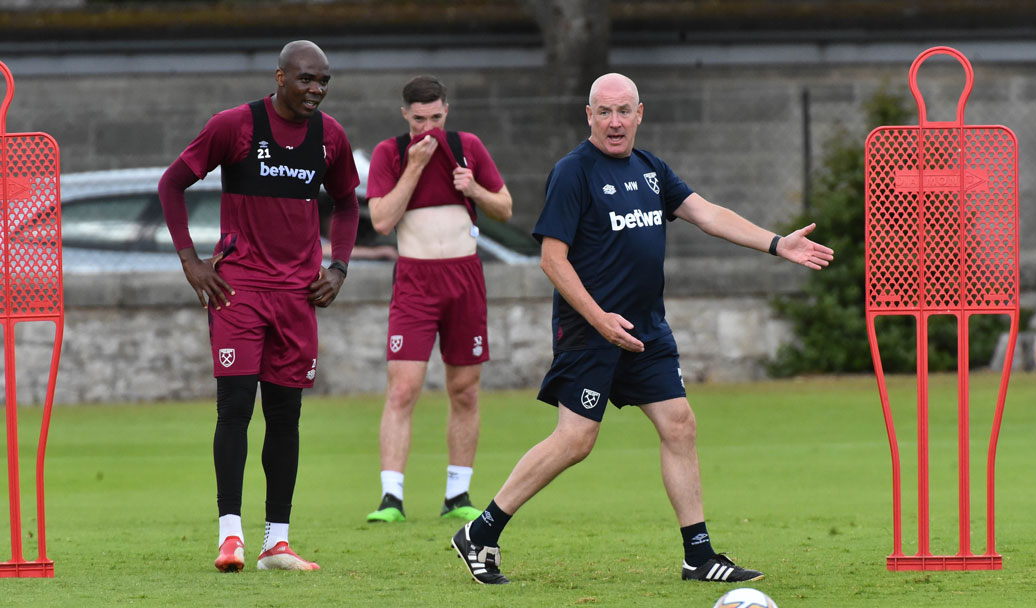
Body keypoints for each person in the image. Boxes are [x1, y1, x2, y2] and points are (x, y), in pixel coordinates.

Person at [450, 73, 834, 585]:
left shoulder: (650, 169)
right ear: (589, 115)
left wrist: (776, 243)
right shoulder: (572, 172)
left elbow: (707, 213)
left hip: (647, 330)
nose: (614, 122)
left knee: (680, 423)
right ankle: (480, 532)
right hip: (591, 331)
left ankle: (699, 556)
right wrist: (599, 319)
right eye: (604, 111)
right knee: (575, 440)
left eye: (623, 111)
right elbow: (552, 259)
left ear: (639, 114)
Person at [157, 40, 360, 572]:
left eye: (323, 82)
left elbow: (346, 204)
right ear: (279, 78)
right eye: (305, 80)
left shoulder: (330, 136)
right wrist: (190, 261)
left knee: (285, 416)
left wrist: (338, 267)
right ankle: (230, 535)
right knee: (235, 408)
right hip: (239, 290)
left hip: (297, 297)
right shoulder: (235, 125)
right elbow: (171, 183)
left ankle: (277, 542)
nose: (315, 90)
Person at [364, 75, 512, 523]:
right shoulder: (390, 153)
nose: (428, 128)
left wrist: (474, 189)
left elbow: (504, 207)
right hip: (415, 279)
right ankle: (391, 497)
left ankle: (458, 494)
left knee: (465, 390)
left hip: (464, 277)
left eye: (435, 118)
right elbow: (382, 220)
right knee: (403, 387)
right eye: (419, 119)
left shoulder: (467, 145)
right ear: (405, 114)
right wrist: (414, 166)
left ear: (446, 111)